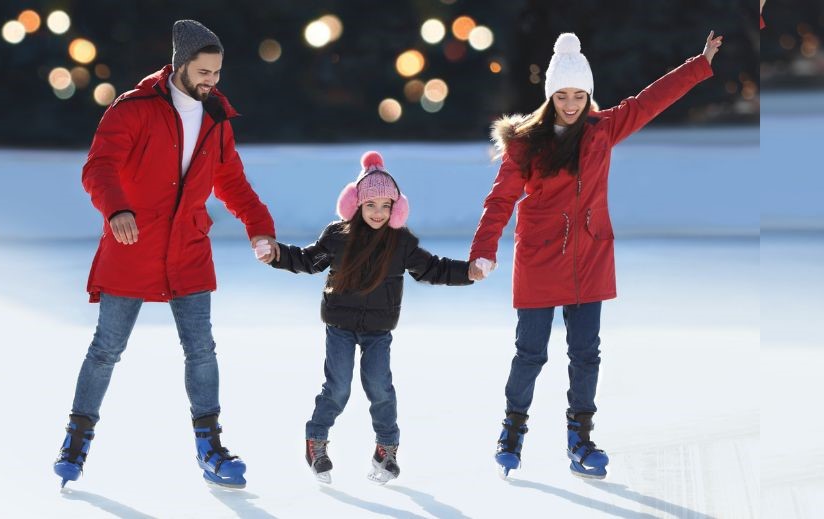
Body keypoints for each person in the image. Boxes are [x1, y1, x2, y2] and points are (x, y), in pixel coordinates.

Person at [468, 31, 723, 479]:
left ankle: (580, 439)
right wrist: (483, 251)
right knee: (530, 353)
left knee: (586, 354)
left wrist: (698, 64)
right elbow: (500, 200)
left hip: (589, 255)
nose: (570, 104)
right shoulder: (527, 141)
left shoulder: (602, 130)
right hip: (541, 258)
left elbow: (650, 101)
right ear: (550, 95)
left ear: (589, 94)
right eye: (562, 95)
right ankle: (512, 432)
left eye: (579, 95)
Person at [54, 19, 278, 490]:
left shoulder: (215, 117)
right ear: (180, 65)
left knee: (202, 350)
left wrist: (260, 229)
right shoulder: (133, 109)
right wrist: (116, 209)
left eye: (217, 73)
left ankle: (210, 446)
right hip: (133, 246)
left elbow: (231, 182)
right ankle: (76, 438)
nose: (211, 82)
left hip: (189, 250)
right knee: (105, 349)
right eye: (203, 72)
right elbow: (100, 167)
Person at [264, 151, 474, 485]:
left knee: (380, 388)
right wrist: (276, 255)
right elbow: (307, 260)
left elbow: (432, 267)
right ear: (356, 204)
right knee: (338, 387)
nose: (378, 212)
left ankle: (386, 450)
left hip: (378, 330)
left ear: (396, 209)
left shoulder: (400, 242)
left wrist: (468, 272)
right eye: (371, 204)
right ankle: (316, 440)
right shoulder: (338, 235)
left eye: (385, 206)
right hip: (341, 327)